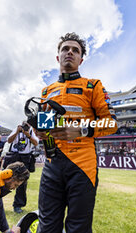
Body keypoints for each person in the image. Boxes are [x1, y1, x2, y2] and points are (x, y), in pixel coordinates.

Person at [36, 32, 118, 233]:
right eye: (65, 49)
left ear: (81, 59)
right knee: (46, 225)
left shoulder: (93, 85)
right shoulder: (46, 91)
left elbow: (112, 123)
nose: (70, 52)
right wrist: (41, 132)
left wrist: (80, 130)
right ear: (58, 57)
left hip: (83, 165)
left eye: (75, 50)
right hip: (51, 164)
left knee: (78, 227)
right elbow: (44, 130)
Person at [5, 121, 39, 214]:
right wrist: (17, 132)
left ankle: (18, 205)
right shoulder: (16, 130)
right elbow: (9, 140)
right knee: (5, 178)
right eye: (24, 125)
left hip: (25, 157)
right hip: (14, 156)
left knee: (22, 182)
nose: (25, 127)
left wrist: (28, 135)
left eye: (27, 125)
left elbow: (36, 142)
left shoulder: (31, 131)